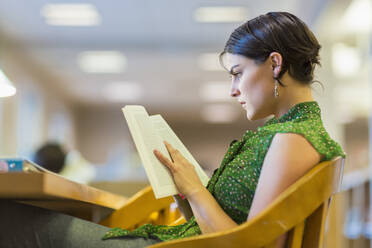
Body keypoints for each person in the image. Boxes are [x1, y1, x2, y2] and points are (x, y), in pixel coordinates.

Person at [0, 12, 346, 248]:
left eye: (238, 72)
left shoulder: (292, 139)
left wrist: (197, 190)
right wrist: (185, 192)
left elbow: (249, 244)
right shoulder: (294, 134)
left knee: (11, 217)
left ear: (274, 63)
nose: (233, 89)